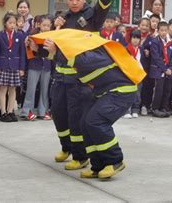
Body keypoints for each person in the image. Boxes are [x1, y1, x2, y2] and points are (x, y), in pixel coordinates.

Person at [32, 28, 146, 179]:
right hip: (105, 92)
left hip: (121, 92)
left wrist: (55, 51)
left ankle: (115, 160)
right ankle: (97, 166)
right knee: (85, 123)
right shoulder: (82, 52)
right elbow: (67, 59)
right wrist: (39, 50)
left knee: (95, 121)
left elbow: (80, 60)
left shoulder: (95, 51)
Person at [51, 0, 111, 170]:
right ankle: (66, 148)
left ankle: (81, 156)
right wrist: (56, 26)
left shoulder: (91, 16)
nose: (74, 2)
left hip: (80, 79)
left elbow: (103, 9)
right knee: (58, 115)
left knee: (76, 119)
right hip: (60, 76)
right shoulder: (63, 17)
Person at [0, 12, 26, 122]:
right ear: (5, 23)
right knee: (3, 89)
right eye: (10, 23)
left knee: (13, 89)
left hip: (15, 66)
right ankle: (3, 112)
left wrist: (22, 68)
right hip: (3, 65)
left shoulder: (19, 35)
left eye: (14, 23)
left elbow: (22, 52)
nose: (12, 25)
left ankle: (10, 111)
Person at [22, 15, 53, 121]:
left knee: (45, 89)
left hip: (47, 65)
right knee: (31, 88)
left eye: (48, 25)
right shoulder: (32, 35)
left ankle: (43, 111)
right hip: (34, 64)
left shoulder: (52, 36)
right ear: (39, 25)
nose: (46, 27)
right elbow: (30, 49)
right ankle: (27, 111)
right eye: (44, 25)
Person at [149, 21, 172, 118]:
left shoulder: (169, 42)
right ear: (158, 31)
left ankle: (163, 107)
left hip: (168, 71)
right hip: (158, 70)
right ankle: (155, 108)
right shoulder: (155, 42)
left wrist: (171, 68)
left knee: (167, 89)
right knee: (158, 90)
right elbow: (156, 58)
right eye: (162, 30)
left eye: (165, 30)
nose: (164, 32)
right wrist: (165, 69)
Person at [123, 30, 144, 118]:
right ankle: (126, 111)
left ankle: (135, 109)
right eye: (134, 38)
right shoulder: (126, 49)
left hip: (138, 73)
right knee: (128, 92)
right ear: (130, 38)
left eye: (138, 38)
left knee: (137, 92)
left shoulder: (141, 49)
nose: (136, 40)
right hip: (128, 74)